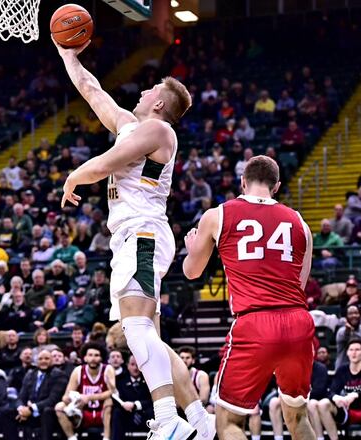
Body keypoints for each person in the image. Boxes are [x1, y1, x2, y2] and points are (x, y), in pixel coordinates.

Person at [54, 37, 213, 440]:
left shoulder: (159, 130)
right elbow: (93, 91)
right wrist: (68, 55)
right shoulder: (131, 127)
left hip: (142, 232)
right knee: (150, 338)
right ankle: (199, 419)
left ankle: (166, 420)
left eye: (150, 89)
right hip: (134, 235)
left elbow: (107, 163)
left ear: (159, 103)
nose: (142, 91)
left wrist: (76, 174)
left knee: (136, 330)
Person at [182, 156, 316, 440]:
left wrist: (193, 248)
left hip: (255, 322)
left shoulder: (218, 214)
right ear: (277, 186)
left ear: (242, 182)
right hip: (298, 321)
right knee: (297, 416)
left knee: (228, 422)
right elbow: (299, 284)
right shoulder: (300, 222)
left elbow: (192, 273)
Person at [317, 340, 361, 440]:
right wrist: (336, 397)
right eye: (351, 350)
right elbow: (330, 391)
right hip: (345, 410)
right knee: (323, 403)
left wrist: (357, 395)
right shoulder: (342, 369)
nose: (354, 353)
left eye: (357, 350)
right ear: (347, 353)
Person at [3, 350, 68, 440]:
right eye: (40, 359)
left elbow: (53, 399)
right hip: (28, 412)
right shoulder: (30, 374)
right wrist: (21, 409)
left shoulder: (60, 375)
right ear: (36, 361)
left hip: (46, 411)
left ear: (52, 360)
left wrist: (31, 408)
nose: (43, 361)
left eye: (47, 358)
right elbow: (21, 397)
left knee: (47, 411)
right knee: (7, 413)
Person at [55, 343, 116, 440]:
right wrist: (76, 399)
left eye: (96, 355)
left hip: (102, 411)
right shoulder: (78, 371)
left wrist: (89, 397)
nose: (93, 358)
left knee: (109, 401)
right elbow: (65, 397)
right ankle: (72, 437)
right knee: (59, 406)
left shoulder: (108, 369)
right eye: (90, 355)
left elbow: (112, 392)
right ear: (85, 357)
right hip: (82, 412)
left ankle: (106, 437)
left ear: (101, 358)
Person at [112, 355, 154, 439]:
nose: (135, 368)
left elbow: (151, 399)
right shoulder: (120, 381)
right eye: (132, 364)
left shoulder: (149, 380)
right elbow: (115, 397)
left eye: (138, 365)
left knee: (153, 410)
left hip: (144, 412)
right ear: (127, 365)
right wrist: (123, 404)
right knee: (116, 412)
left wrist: (135, 405)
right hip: (126, 413)